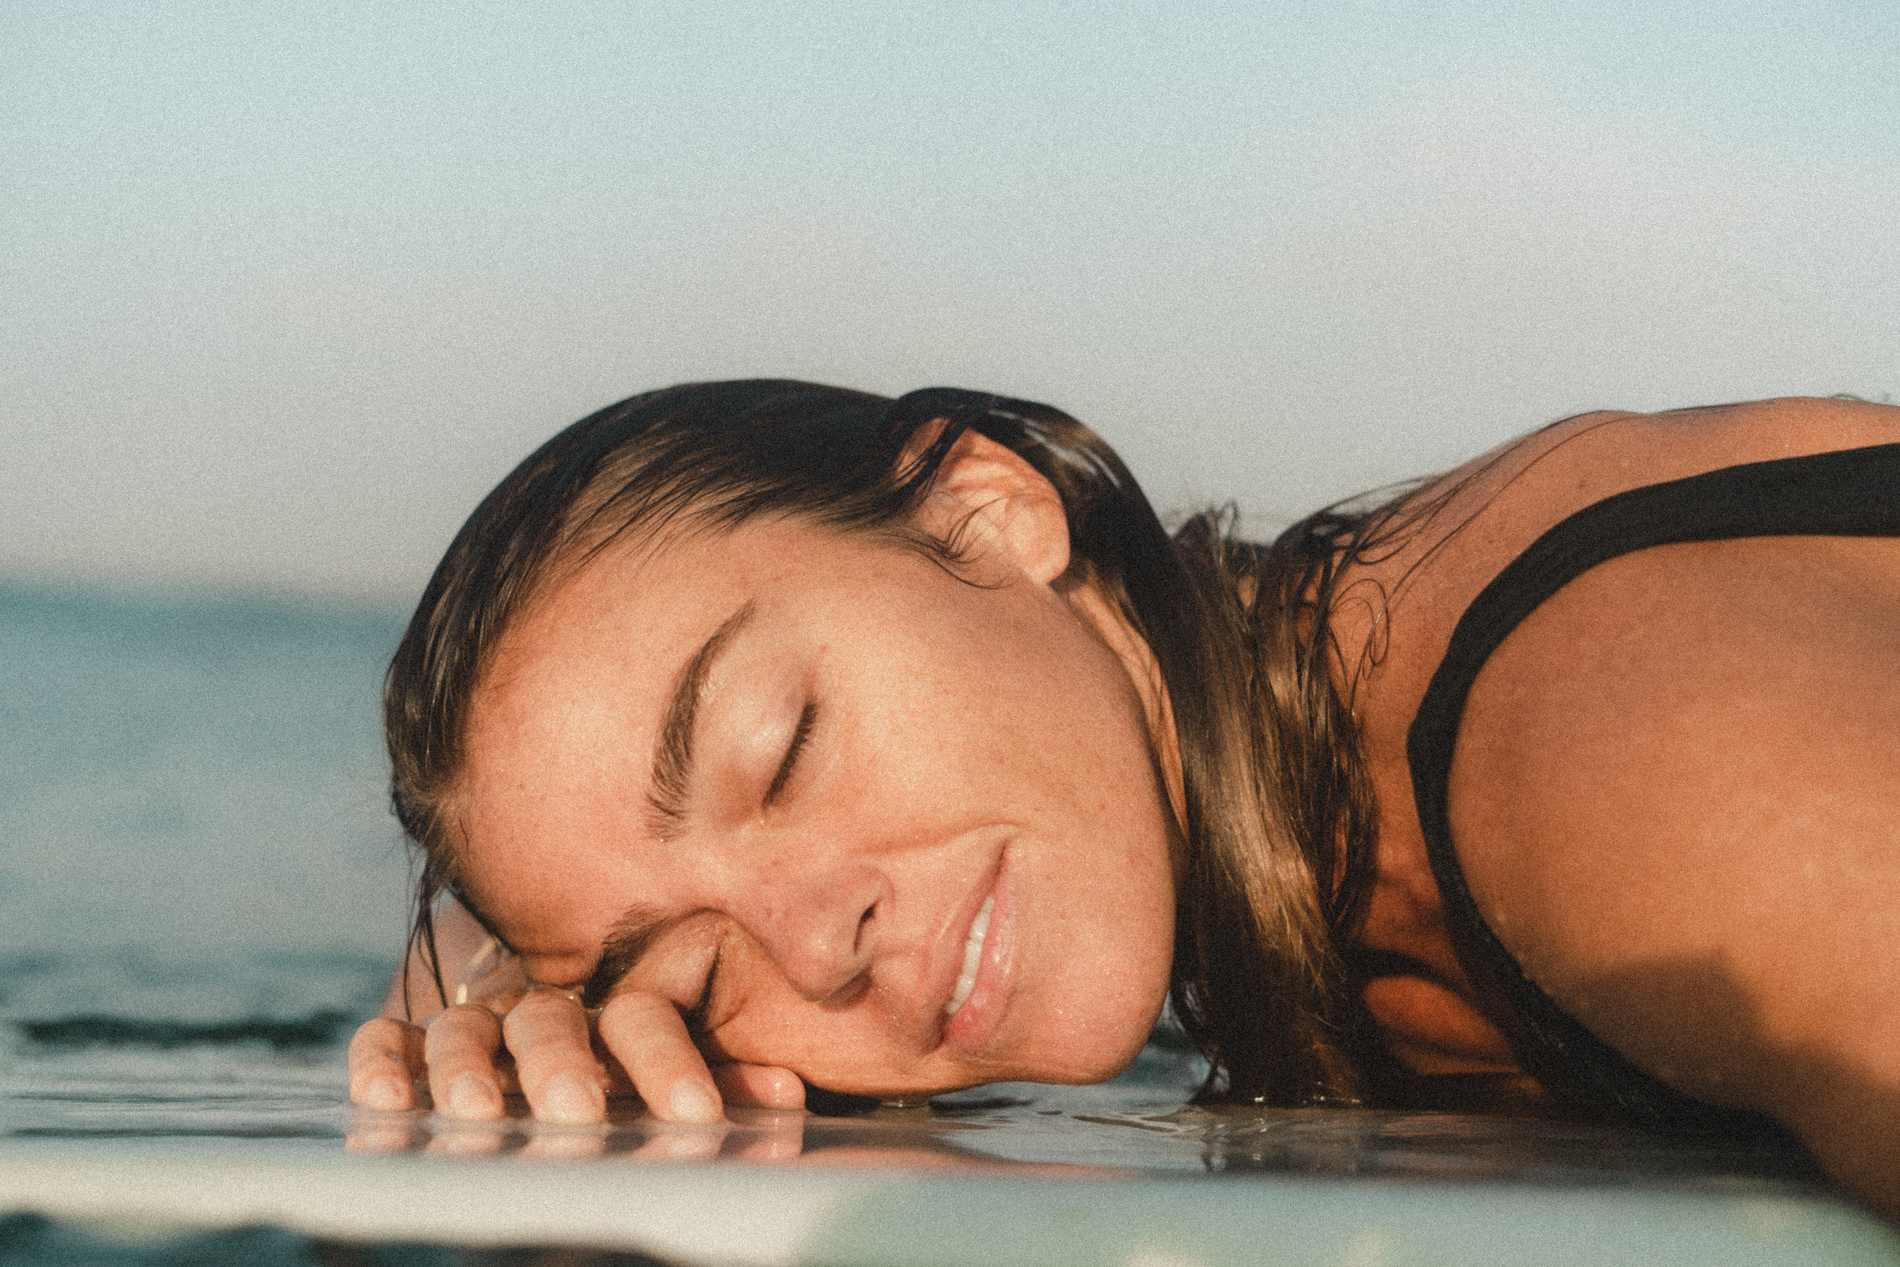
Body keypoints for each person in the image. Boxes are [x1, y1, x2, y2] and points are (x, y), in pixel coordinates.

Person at [347, 381, 1900, 1216]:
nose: (816, 944)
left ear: (988, 510)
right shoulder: (1315, 817)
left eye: (784, 749)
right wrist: (508, 1014)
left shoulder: (1585, 737)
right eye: (701, 974)